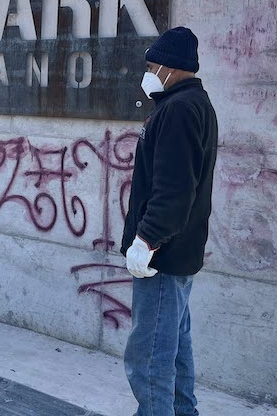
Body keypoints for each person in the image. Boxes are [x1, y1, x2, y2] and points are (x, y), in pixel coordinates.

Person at [120, 26, 218, 416]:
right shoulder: (193, 105)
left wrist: (146, 240)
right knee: (175, 350)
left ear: (170, 67)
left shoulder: (178, 110)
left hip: (161, 259)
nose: (148, 72)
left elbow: (174, 190)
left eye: (152, 65)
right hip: (178, 256)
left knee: (148, 360)